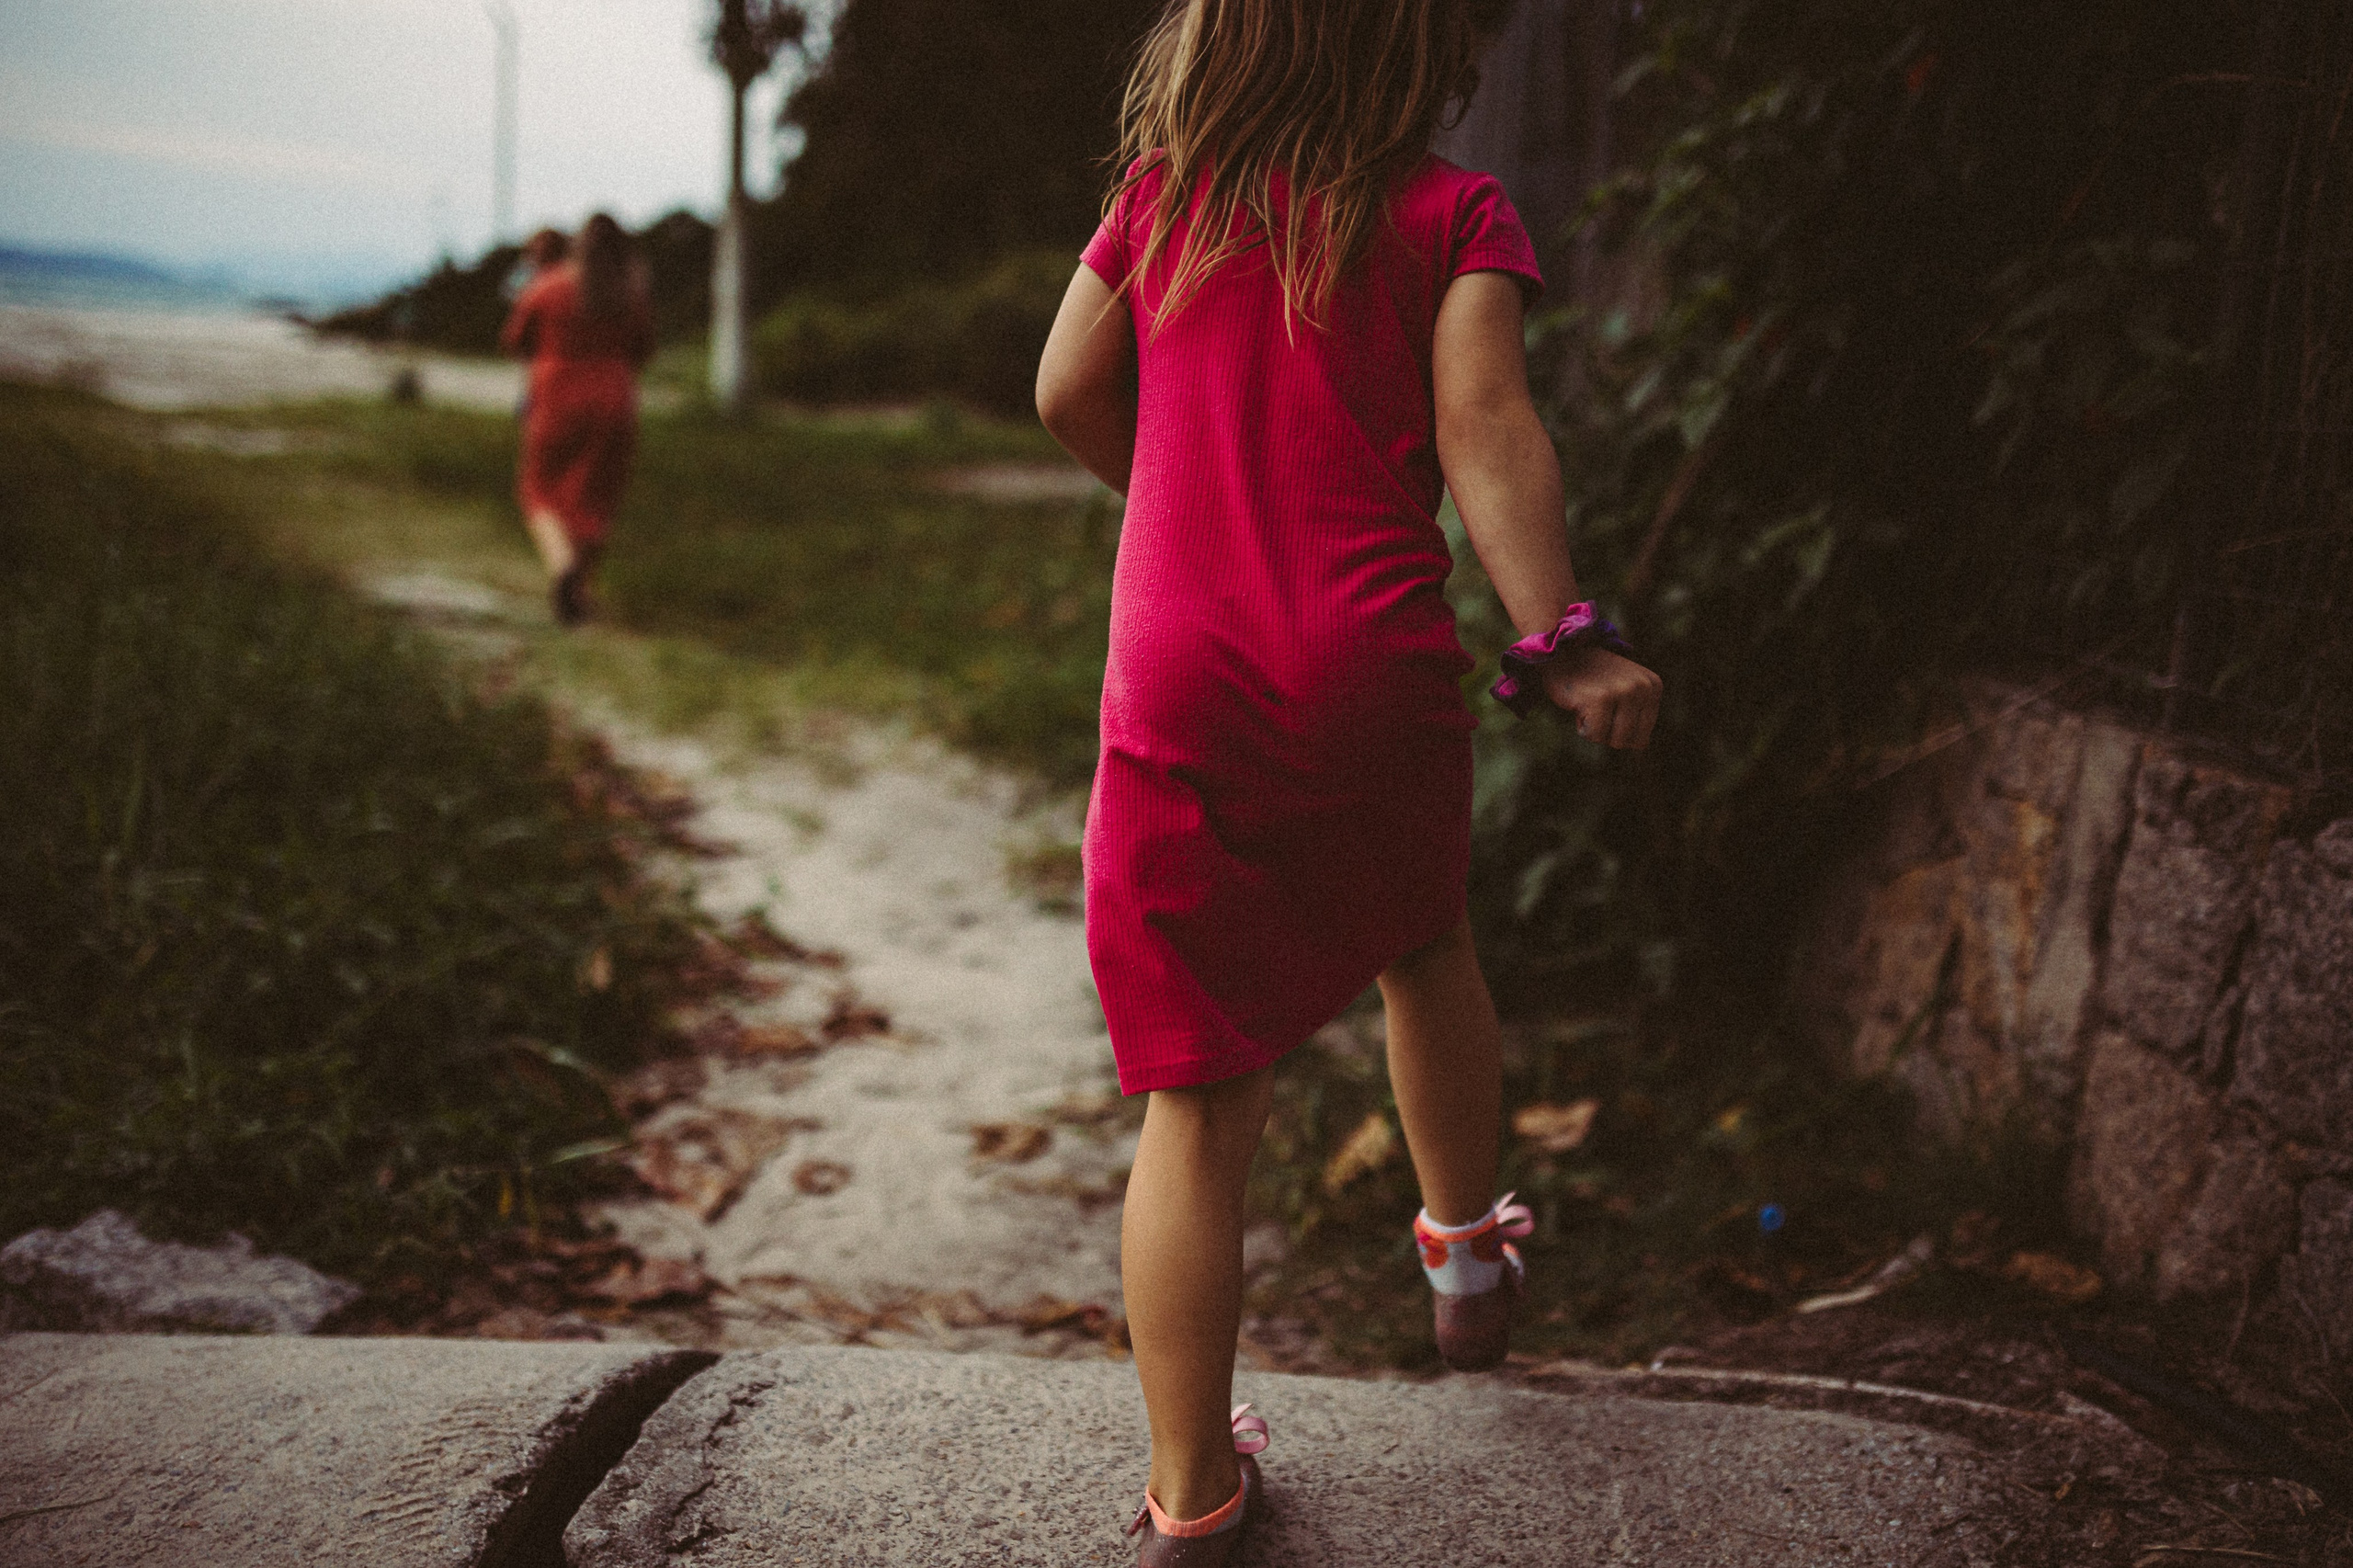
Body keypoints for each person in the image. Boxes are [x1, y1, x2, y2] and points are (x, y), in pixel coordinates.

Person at [1034, 1, 1664, 1561]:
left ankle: (1194, 1493)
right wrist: (1560, 637)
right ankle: (1464, 1253)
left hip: (1180, 667)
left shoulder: (1162, 202)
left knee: (1197, 1101)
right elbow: (1485, 425)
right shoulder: (1453, 213)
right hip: (1369, 662)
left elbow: (1063, 389)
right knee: (1424, 943)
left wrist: (1175, 487)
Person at [500, 214, 654, 625]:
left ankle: (563, 566)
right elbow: (644, 350)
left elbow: (514, 340)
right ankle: (580, 591)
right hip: (614, 401)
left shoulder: (547, 287)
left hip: (556, 396)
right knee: (597, 498)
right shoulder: (631, 295)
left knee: (539, 491)